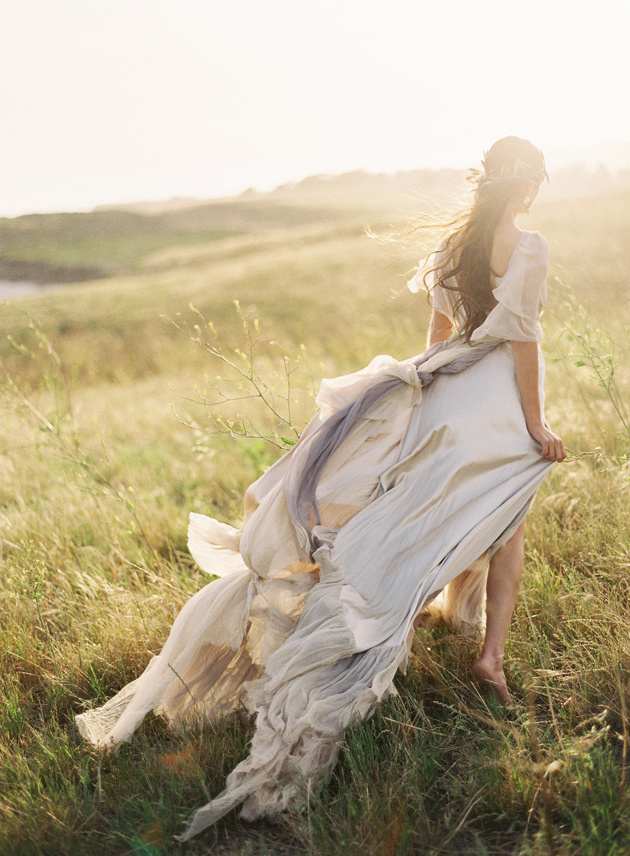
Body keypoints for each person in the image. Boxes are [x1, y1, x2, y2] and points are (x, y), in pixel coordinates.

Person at [76, 136, 566, 841]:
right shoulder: (530, 245)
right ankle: (488, 653)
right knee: (505, 511)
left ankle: (450, 619)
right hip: (488, 394)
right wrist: (536, 423)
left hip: (435, 383)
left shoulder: (455, 242)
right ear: (532, 183)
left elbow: (434, 334)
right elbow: (523, 339)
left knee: (419, 514)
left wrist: (411, 393)